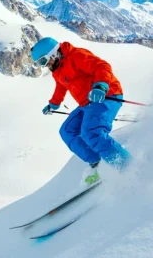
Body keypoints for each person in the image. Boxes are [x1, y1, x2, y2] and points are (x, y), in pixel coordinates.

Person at [30, 37, 131, 186]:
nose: (45, 66)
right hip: (87, 103)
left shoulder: (76, 56)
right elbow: (61, 86)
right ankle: (97, 163)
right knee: (67, 131)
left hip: (106, 95)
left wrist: (101, 86)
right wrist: (53, 104)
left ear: (53, 53)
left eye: (43, 61)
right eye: (39, 63)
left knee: (91, 132)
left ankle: (125, 165)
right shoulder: (57, 70)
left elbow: (102, 66)